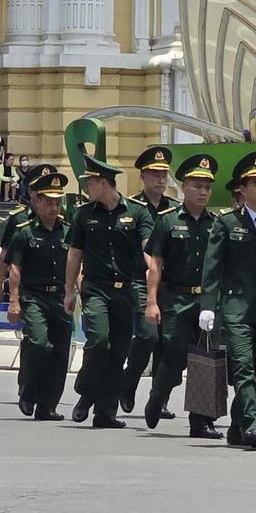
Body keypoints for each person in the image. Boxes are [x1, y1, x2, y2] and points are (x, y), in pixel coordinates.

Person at [199, 150, 256, 450]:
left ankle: (238, 425)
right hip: (236, 308)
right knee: (243, 367)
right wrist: (208, 306)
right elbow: (212, 268)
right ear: (243, 188)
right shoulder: (226, 223)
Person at [140, 153, 223, 436]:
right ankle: (157, 396)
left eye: (207, 187)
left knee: (207, 359)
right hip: (176, 299)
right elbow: (156, 265)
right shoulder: (167, 221)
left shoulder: (217, 224)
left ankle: (201, 420)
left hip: (207, 301)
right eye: (197, 186)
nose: (203, 192)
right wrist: (152, 302)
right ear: (184, 187)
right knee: (174, 356)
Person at [66, 154, 150, 426]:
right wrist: (70, 291)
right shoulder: (84, 214)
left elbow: (149, 250)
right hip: (95, 289)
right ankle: (86, 392)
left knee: (118, 353)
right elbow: (74, 255)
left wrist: (155, 281)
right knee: (99, 341)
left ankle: (106, 412)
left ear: (104, 183)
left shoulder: (137, 212)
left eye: (89, 182)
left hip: (126, 291)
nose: (86, 188)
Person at [3, 162, 74, 420]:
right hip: (33, 297)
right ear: (38, 202)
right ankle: (28, 391)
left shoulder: (69, 231)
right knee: (39, 343)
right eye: (49, 202)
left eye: (58, 202)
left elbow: (77, 265)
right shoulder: (24, 233)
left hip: (60, 298)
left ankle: (48, 404)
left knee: (59, 351)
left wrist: (78, 290)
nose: (54, 207)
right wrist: (14, 302)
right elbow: (15, 269)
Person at [117, 146, 178, 415]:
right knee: (147, 335)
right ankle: (128, 382)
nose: (161, 180)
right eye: (154, 174)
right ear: (142, 177)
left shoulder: (176, 210)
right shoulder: (131, 209)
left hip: (170, 284)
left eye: (164, 174)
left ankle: (159, 399)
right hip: (140, 282)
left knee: (168, 344)